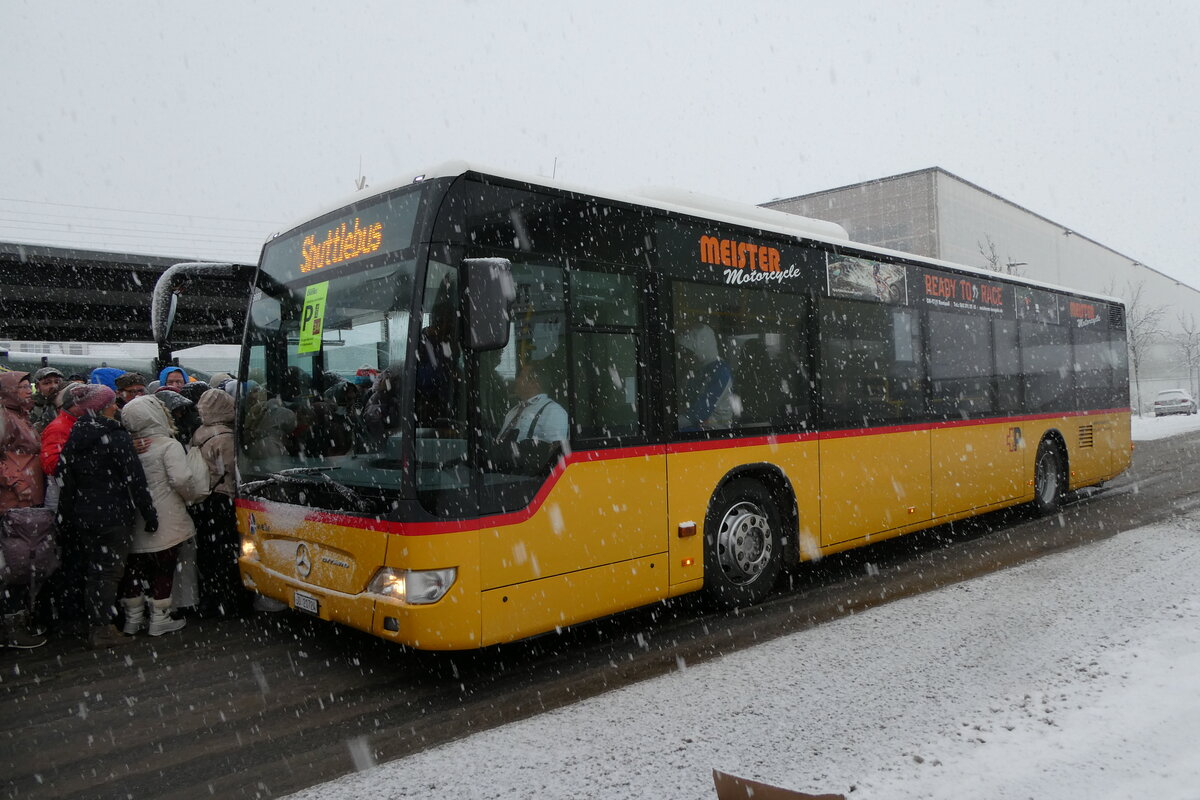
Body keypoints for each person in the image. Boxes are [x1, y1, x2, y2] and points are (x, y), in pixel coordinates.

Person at [56, 385, 158, 648]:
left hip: (85, 514)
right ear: (104, 407)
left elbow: (65, 480)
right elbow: (136, 479)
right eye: (113, 403)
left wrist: (65, 518)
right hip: (113, 514)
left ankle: (95, 624)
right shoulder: (115, 436)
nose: (117, 407)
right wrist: (149, 513)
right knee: (110, 572)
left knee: (95, 571)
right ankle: (103, 629)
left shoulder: (76, 435)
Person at [117, 396, 200, 636]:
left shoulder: (124, 445)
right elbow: (182, 479)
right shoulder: (168, 444)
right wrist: (190, 497)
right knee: (164, 568)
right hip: (167, 517)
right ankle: (159, 618)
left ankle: (133, 619)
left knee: (134, 568)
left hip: (135, 518)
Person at [0, 372, 48, 649]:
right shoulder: (5, 416)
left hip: (23, 504)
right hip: (13, 504)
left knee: (19, 565)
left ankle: (16, 622)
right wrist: (16, 482)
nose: (28, 390)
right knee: (14, 566)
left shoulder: (18, 415)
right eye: (20, 387)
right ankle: (12, 627)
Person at [190, 388, 246, 617]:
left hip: (204, 497)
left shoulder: (200, 432)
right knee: (226, 552)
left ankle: (210, 599)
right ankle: (229, 602)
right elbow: (233, 471)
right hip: (223, 498)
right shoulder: (225, 437)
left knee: (209, 553)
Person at [676, 323, 733, 431]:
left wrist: (672, 424)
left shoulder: (720, 371)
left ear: (701, 350)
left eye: (689, 354)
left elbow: (700, 412)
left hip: (714, 429)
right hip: (698, 425)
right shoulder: (698, 370)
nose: (686, 359)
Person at [496, 361, 569, 445]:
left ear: (533, 383)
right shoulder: (513, 411)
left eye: (521, 376)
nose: (516, 380)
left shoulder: (553, 411)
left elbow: (555, 451)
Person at [29, 367, 64, 432]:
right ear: (37, 386)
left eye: (57, 382)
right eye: (47, 383)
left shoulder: (68, 403)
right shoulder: (29, 405)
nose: (53, 386)